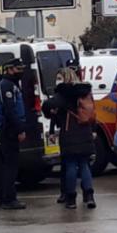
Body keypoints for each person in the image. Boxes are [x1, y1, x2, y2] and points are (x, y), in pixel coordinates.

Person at [43, 66, 97, 209]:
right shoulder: (85, 91)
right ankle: (89, 196)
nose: (57, 81)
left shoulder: (63, 93)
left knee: (71, 165)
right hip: (85, 131)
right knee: (84, 165)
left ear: (65, 78)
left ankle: (71, 198)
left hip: (69, 134)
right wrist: (94, 130)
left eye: (59, 78)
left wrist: (50, 112)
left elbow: (48, 105)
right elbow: (93, 112)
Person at [0, 60, 27, 210]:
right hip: (9, 130)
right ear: (11, 69)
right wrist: (19, 130)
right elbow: (10, 111)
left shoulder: (10, 84)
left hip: (8, 129)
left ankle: (2, 197)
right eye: (19, 69)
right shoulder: (7, 86)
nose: (21, 71)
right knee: (11, 166)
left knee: (8, 164)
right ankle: (9, 199)